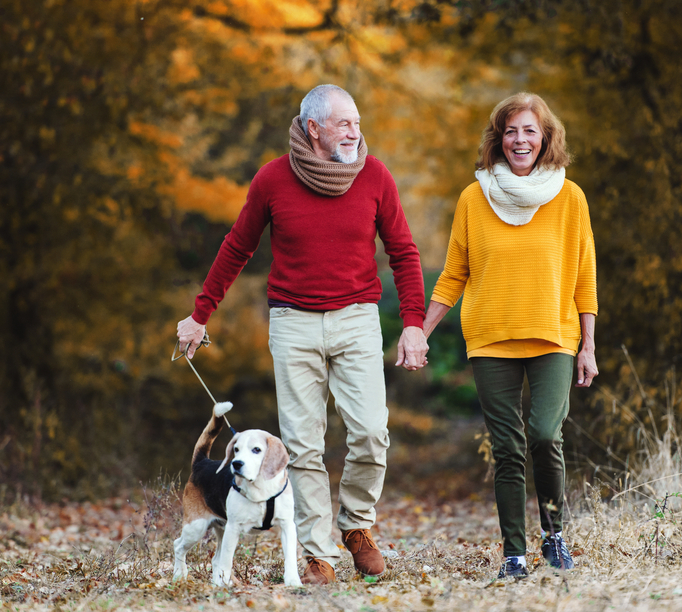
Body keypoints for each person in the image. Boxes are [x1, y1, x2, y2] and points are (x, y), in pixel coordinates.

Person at [176, 84, 428, 585]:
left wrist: (414, 324)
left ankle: (357, 527)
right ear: (313, 128)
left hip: (357, 318)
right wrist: (200, 313)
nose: (356, 132)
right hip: (292, 323)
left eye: (357, 122)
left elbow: (403, 251)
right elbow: (237, 246)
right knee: (303, 445)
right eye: (344, 124)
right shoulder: (273, 179)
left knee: (372, 432)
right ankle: (317, 555)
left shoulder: (374, 175)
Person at [421, 92, 598, 580]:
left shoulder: (570, 197)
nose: (520, 140)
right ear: (498, 138)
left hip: (553, 337)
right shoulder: (473, 198)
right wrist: (420, 329)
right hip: (490, 339)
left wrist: (588, 344)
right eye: (511, 131)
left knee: (545, 433)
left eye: (530, 131)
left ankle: (554, 534)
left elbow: (585, 277)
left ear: (546, 138)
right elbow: (454, 272)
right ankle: (514, 554)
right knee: (507, 448)